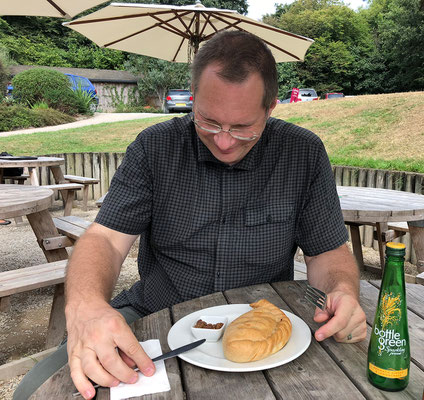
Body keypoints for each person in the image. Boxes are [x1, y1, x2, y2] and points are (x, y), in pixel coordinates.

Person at [14, 31, 366, 400]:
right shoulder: (155, 147)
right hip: (154, 312)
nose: (225, 141)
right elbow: (105, 239)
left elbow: (326, 252)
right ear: (192, 99)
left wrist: (342, 291)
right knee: (34, 389)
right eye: (208, 121)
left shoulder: (303, 153)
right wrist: (86, 306)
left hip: (260, 326)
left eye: (243, 128)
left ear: (271, 108)